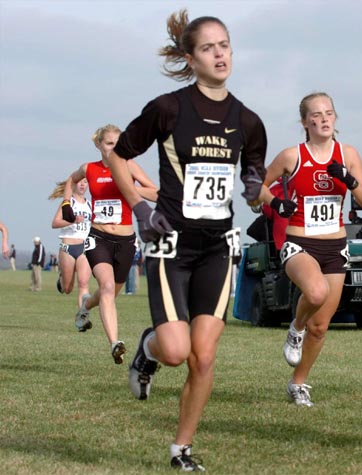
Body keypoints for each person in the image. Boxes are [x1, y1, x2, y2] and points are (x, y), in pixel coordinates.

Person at [107, 10, 267, 472]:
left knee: (204, 355)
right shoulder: (169, 108)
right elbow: (119, 157)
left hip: (218, 248)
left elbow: (253, 189)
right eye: (208, 48)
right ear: (189, 57)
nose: (220, 54)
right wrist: (140, 209)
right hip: (170, 245)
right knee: (176, 351)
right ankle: (148, 348)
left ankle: (182, 449)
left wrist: (262, 193)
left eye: (225, 45)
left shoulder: (249, 121)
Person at [257, 92, 362, 407]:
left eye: (329, 113)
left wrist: (349, 180)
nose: (324, 119)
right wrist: (276, 201)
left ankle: (298, 384)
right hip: (300, 241)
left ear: (335, 118)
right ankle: (295, 328)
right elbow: (255, 187)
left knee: (321, 325)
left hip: (335, 245)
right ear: (305, 122)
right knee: (315, 292)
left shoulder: (347, 154)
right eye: (316, 114)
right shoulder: (291, 156)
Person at [64, 124, 158, 362]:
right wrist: (67, 203)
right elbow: (70, 180)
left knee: (108, 294)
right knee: (106, 287)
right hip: (99, 237)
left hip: (126, 241)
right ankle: (115, 343)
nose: (113, 148)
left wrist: (131, 187)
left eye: (117, 144)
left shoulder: (129, 166)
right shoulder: (90, 168)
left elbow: (155, 193)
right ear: (99, 144)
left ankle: (85, 305)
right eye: (108, 144)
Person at [49, 178, 93, 309]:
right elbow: (55, 223)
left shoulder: (91, 205)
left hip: (85, 248)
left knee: (83, 283)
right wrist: (73, 221)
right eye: (80, 182)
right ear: (73, 185)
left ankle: (82, 314)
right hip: (68, 247)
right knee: (67, 288)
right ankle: (62, 277)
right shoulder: (68, 203)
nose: (82, 185)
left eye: (85, 182)